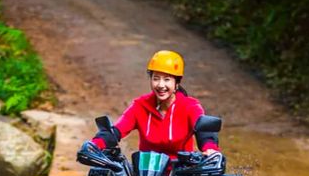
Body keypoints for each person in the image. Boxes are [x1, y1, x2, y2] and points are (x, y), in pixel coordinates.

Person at [90, 50, 221, 159]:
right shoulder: (140, 105)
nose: (160, 85)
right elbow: (117, 130)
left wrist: (211, 149)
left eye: (167, 79)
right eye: (156, 78)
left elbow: (205, 133)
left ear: (177, 83)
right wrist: (95, 144)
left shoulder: (190, 107)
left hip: (182, 175)